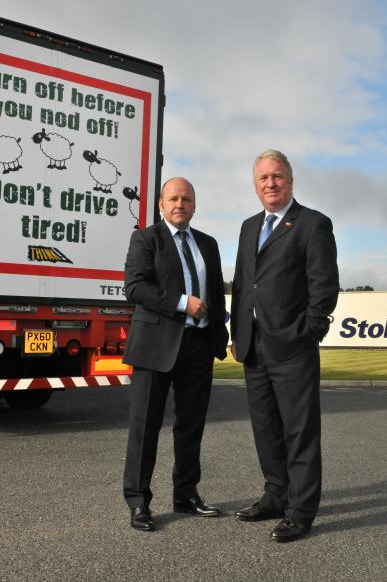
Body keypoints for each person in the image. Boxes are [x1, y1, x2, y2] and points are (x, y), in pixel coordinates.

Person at [230, 150, 339, 542]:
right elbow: (244, 284)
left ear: (290, 181)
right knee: (266, 430)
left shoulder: (313, 224)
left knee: (299, 432)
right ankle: (276, 495)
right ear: (255, 186)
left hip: (292, 346)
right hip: (254, 347)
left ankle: (301, 510)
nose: (270, 183)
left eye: (277, 176)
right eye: (263, 178)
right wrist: (236, 332)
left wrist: (309, 329)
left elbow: (324, 285)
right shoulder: (247, 227)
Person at [122, 177, 229, 532]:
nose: (179, 204)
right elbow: (135, 287)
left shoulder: (209, 245)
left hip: (197, 347)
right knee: (145, 427)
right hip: (155, 347)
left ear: (194, 205)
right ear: (161, 205)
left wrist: (220, 333)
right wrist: (184, 304)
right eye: (173, 198)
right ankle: (139, 502)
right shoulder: (146, 239)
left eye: (186, 199)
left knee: (191, 426)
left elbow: (216, 291)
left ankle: (186, 495)